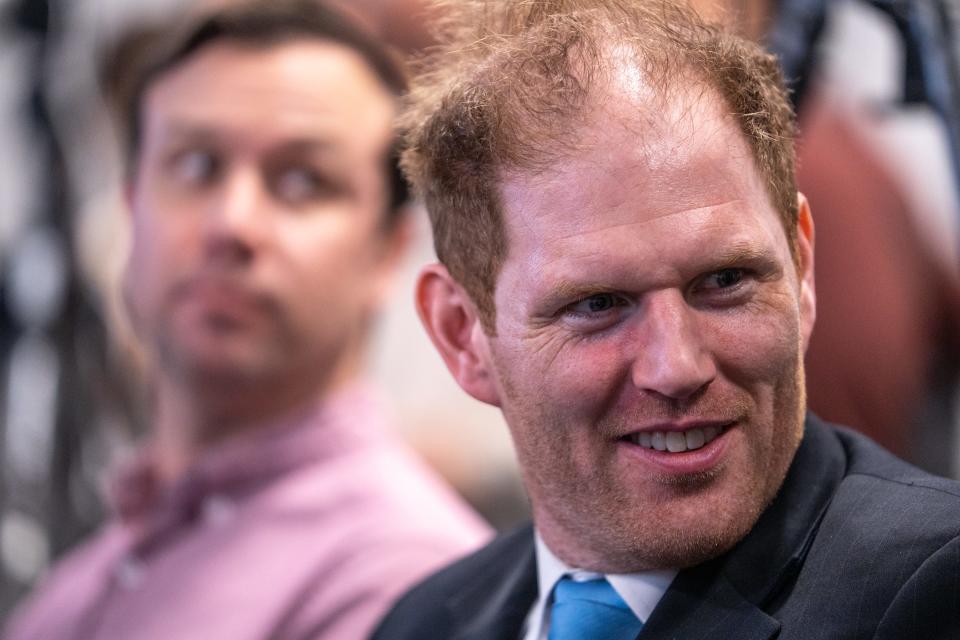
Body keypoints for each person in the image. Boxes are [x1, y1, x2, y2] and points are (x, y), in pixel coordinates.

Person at [372, 1, 960, 638]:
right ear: (462, 335)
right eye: (597, 305)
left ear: (800, 264)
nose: (676, 366)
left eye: (725, 281)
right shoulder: (422, 620)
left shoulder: (933, 592)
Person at [2, 1, 491, 639]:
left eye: (300, 180)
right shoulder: (82, 581)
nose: (230, 223)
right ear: (130, 209)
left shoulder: (407, 584)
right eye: (196, 164)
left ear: (387, 251)